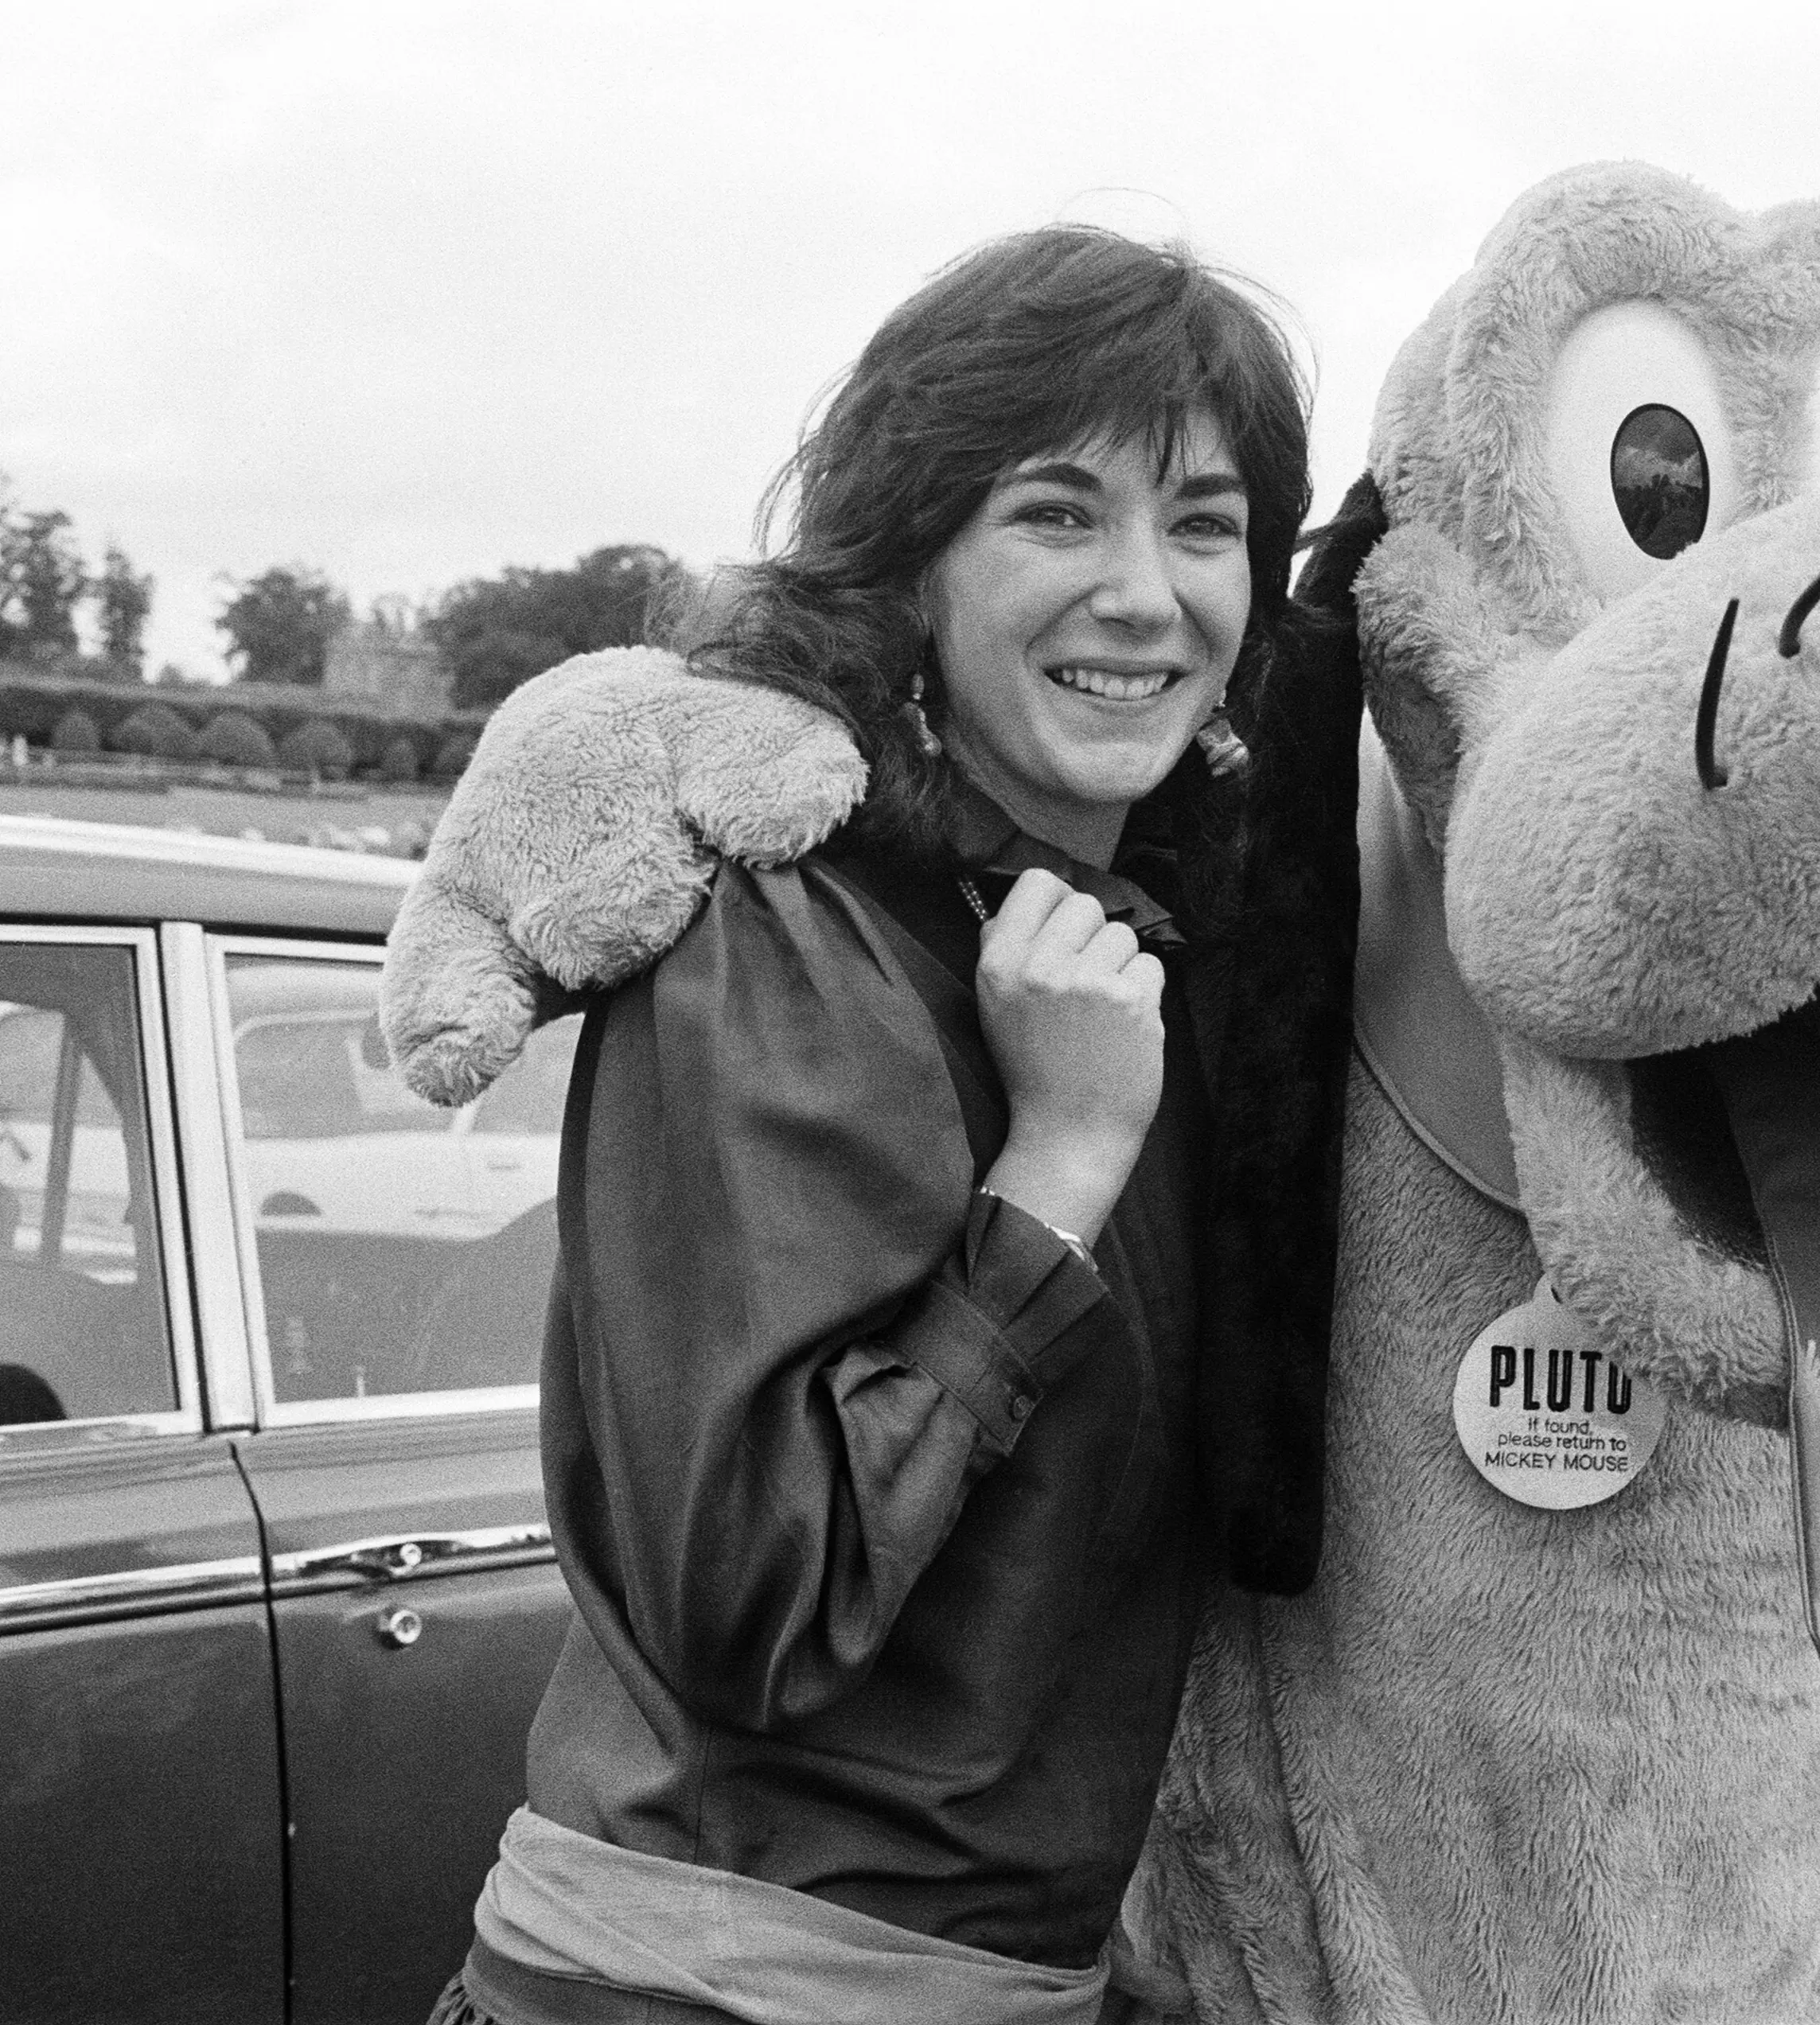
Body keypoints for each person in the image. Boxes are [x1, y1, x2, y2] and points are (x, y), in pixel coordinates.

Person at [425, 224, 1314, 2025]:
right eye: (1058, 514)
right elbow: (755, 1598)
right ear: (914, 561)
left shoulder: (1149, 963)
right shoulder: (781, 939)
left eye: (1202, 524)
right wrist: (1053, 1167)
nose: (1144, 592)